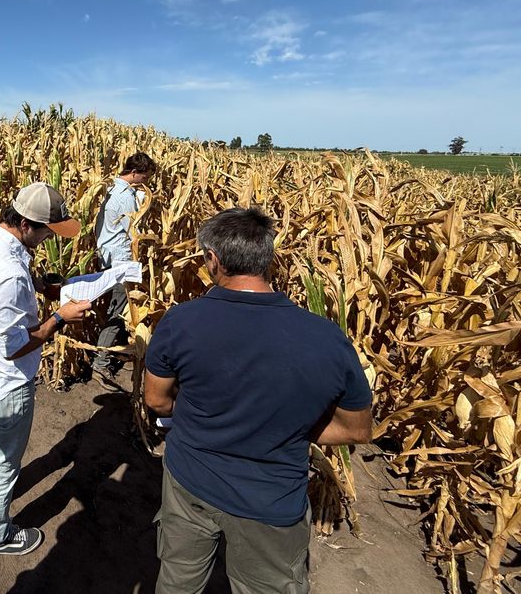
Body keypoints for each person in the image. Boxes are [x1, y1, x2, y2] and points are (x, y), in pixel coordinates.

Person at [144, 207, 373, 594]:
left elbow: (157, 401)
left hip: (190, 483)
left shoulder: (181, 322)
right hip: (272, 502)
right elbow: (358, 429)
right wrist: (289, 428)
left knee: (178, 582)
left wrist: (204, 417)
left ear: (213, 260)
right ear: (267, 259)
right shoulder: (328, 340)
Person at [0, 182, 92, 556]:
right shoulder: (8, 273)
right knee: (6, 462)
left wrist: (41, 286)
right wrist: (60, 318)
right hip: (8, 381)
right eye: (47, 231)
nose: (51, 238)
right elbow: (15, 345)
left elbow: (6, 286)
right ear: (25, 223)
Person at [91, 151, 157, 373]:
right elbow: (134, 233)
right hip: (121, 261)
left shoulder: (112, 189)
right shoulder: (125, 197)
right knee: (119, 310)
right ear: (135, 172)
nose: (146, 183)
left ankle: (110, 352)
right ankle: (101, 362)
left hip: (108, 256)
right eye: (145, 178)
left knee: (117, 307)